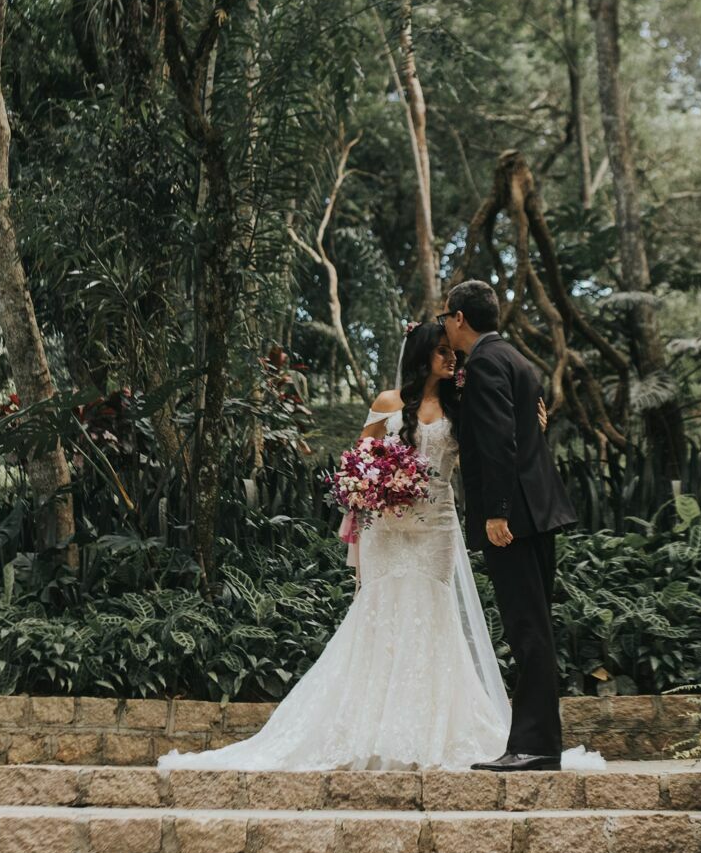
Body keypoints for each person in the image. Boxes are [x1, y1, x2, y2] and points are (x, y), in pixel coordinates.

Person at [158, 321, 510, 772]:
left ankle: (432, 726)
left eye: (452, 351)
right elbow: (358, 463)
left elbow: (489, 451)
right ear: (423, 356)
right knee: (380, 616)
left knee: (432, 615)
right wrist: (379, 487)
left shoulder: (461, 407)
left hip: (436, 528)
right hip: (386, 528)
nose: (451, 358)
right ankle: (371, 725)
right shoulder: (387, 404)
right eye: (442, 351)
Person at [439, 278, 580, 773]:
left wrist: (496, 511)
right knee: (534, 626)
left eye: (446, 317)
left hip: (513, 516)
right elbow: (516, 426)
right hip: (539, 511)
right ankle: (539, 742)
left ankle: (535, 746)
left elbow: (497, 442)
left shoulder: (483, 364)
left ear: (460, 318)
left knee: (526, 629)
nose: (445, 325)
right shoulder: (515, 359)